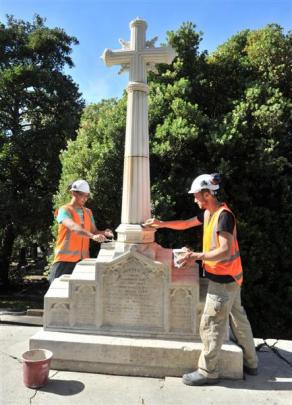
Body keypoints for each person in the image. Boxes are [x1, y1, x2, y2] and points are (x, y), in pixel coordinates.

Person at [144, 173, 258, 386]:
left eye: (197, 195)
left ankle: (208, 371)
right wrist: (161, 224)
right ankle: (252, 362)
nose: (195, 199)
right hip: (232, 278)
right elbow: (186, 224)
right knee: (238, 319)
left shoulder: (224, 216)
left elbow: (224, 251)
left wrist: (195, 256)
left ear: (208, 194)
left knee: (211, 323)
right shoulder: (208, 213)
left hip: (224, 280)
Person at [48, 179, 113, 283]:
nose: (85, 198)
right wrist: (92, 236)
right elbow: (74, 228)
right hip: (64, 261)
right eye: (83, 195)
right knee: (57, 295)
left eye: (87, 196)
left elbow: (94, 231)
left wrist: (104, 232)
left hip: (83, 262)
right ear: (73, 193)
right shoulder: (64, 210)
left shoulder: (88, 212)